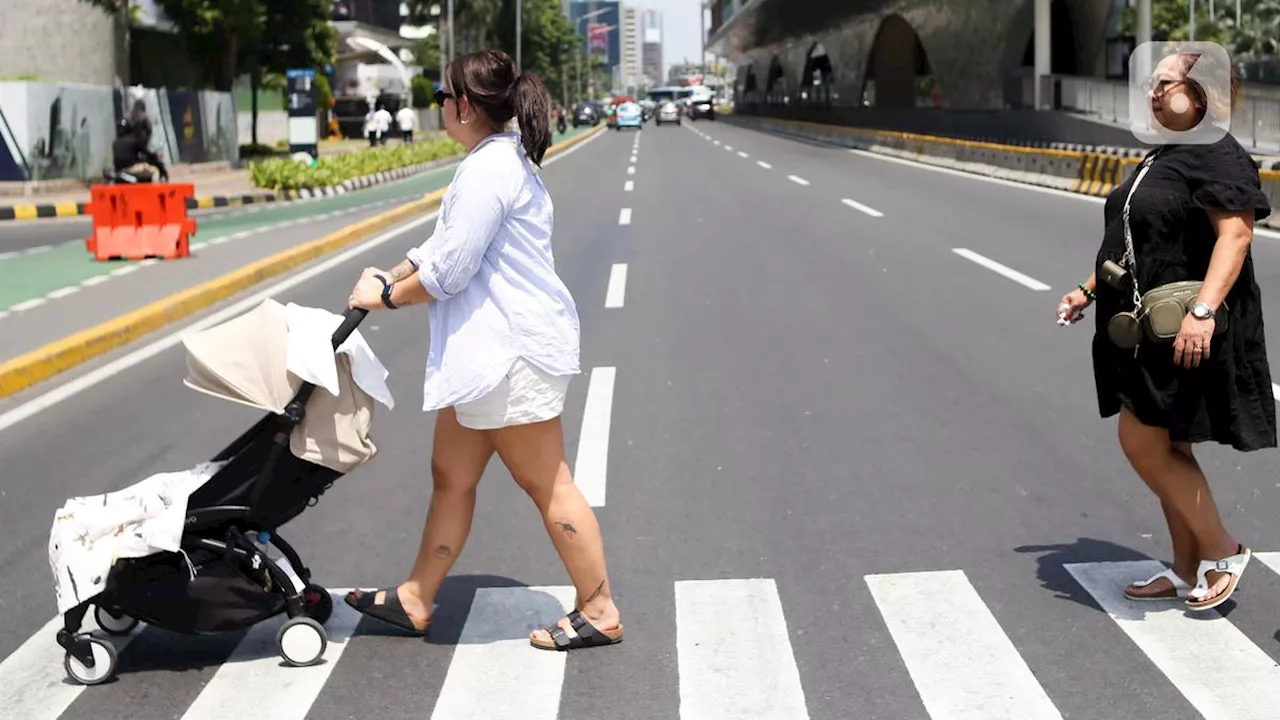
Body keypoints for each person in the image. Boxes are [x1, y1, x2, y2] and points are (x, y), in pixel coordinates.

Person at [344, 49, 624, 651]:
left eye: (443, 98)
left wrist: (388, 296)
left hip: (509, 358)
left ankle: (599, 609)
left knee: (549, 484)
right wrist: (385, 282)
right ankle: (417, 596)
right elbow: (437, 247)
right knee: (451, 475)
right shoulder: (492, 163)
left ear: (465, 105)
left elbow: (449, 271)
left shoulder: (490, 171)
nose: (439, 107)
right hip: (487, 362)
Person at [1058, 49, 1273, 611]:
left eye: (1166, 85)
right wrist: (1088, 289)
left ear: (1200, 94)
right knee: (1167, 441)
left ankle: (1223, 550)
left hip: (1185, 325)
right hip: (1149, 327)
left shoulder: (1217, 154)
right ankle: (1184, 571)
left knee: (1141, 438)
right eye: (1151, 86)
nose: (1153, 94)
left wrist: (1202, 312)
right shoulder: (1167, 154)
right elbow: (1140, 245)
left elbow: (1236, 237)